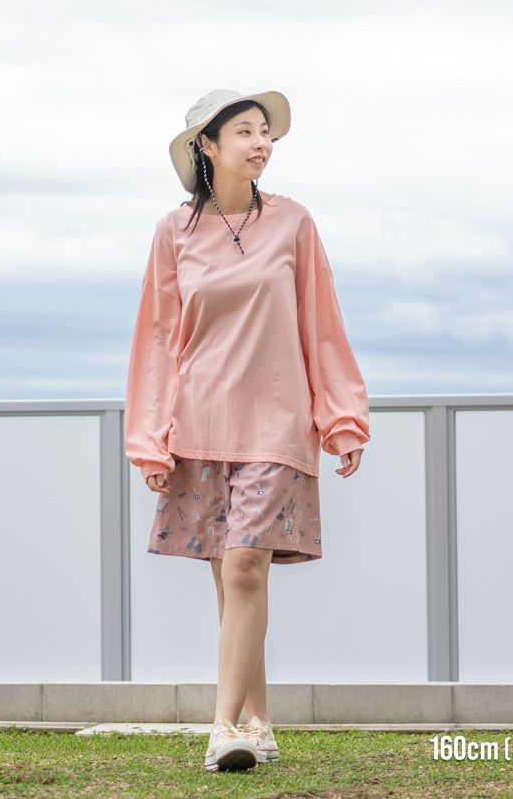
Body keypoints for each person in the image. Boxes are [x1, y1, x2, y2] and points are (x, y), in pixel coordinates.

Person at [124, 89, 371, 772]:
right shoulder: (174, 231)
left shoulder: (293, 222)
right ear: (207, 145)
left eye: (266, 132)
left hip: (276, 421)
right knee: (234, 581)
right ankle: (259, 723)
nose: (262, 143)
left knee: (243, 566)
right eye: (245, 131)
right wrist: (150, 437)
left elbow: (321, 323)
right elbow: (157, 339)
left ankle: (223, 728)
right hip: (199, 423)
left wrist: (341, 418)